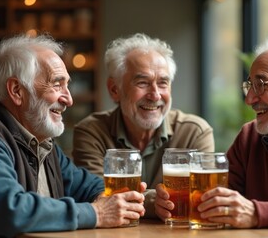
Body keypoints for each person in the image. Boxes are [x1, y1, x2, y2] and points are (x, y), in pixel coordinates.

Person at [155, 34, 268, 238]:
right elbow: (215, 205)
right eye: (249, 85)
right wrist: (169, 203)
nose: (250, 99)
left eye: (261, 85)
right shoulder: (249, 137)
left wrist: (257, 213)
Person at [0, 34, 146, 238]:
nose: (69, 99)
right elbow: (8, 209)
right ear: (17, 91)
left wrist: (114, 198)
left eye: (67, 85)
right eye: (57, 84)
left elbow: (86, 185)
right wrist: (97, 213)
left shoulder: (42, 142)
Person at [72, 33, 215, 217]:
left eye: (163, 83)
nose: (155, 95)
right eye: (142, 83)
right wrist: (152, 201)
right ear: (115, 90)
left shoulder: (195, 132)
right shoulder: (91, 132)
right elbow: (98, 197)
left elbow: (201, 198)